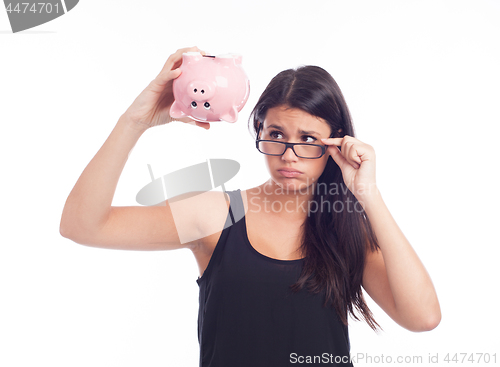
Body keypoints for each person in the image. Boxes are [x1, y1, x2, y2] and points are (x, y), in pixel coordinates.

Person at [60, 46, 441, 366]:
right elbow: (83, 226)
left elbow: (423, 317)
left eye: (308, 138)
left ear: (335, 145)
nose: (288, 155)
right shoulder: (217, 215)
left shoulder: (345, 230)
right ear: (259, 132)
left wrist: (368, 194)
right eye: (275, 135)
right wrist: (135, 121)